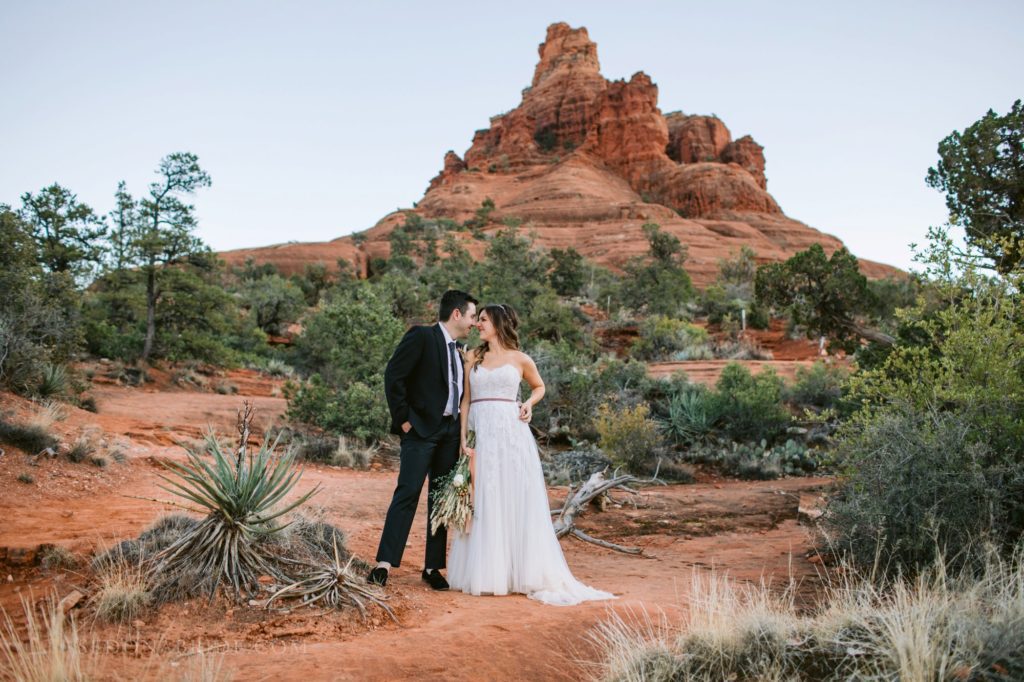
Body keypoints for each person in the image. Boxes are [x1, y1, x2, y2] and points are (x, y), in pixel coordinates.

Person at [448, 303, 615, 605]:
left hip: (512, 435)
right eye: (478, 320)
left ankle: (522, 572)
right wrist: (463, 438)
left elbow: (539, 387)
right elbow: (465, 402)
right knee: (485, 496)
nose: (478, 325)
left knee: (515, 497)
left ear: (498, 324)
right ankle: (489, 573)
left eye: (483, 320)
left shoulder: (520, 358)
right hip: (483, 435)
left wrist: (529, 404)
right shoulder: (472, 356)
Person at [368, 289, 478, 590]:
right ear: (456, 314)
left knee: (440, 498)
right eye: (471, 316)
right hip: (420, 431)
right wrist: (404, 421)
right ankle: (384, 564)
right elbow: (394, 376)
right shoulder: (421, 336)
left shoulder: (459, 349)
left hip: (449, 432)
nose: (473, 323)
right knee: (407, 493)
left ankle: (432, 567)